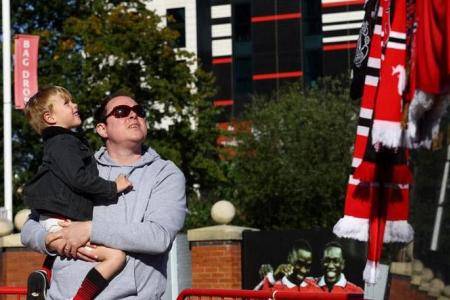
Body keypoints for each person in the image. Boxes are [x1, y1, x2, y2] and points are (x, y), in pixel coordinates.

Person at [21, 91, 187, 300]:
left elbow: (158, 236)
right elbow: (29, 227)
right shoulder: (78, 167)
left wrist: (91, 230)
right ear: (102, 128)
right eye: (121, 111)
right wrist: (49, 241)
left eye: (139, 111)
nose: (133, 115)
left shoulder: (165, 173)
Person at [23, 86, 133, 300]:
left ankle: (44, 274)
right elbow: (78, 178)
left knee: (74, 250)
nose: (75, 105)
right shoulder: (64, 143)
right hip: (62, 220)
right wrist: (113, 187)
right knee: (116, 257)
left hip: (58, 219)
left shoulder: (58, 143)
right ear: (50, 117)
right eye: (67, 103)